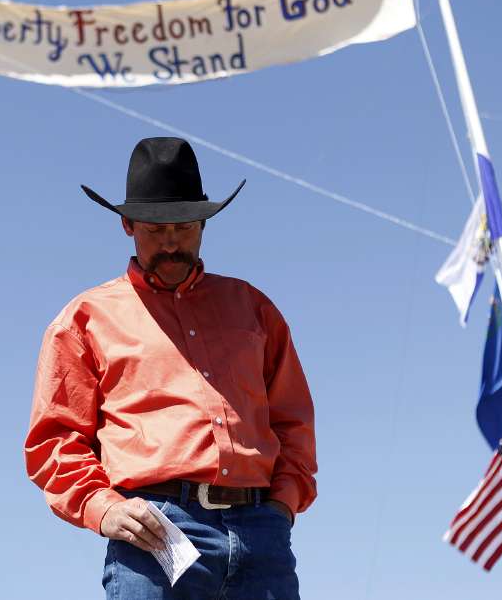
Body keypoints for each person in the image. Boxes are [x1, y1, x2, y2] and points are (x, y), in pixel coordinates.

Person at [24, 136, 317, 599]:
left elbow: (293, 421)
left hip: (262, 535)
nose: (171, 242)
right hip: (154, 532)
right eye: (155, 229)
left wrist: (280, 507)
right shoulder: (84, 319)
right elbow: (55, 439)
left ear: (203, 222)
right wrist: (104, 507)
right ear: (126, 225)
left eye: (183, 227)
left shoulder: (254, 308)